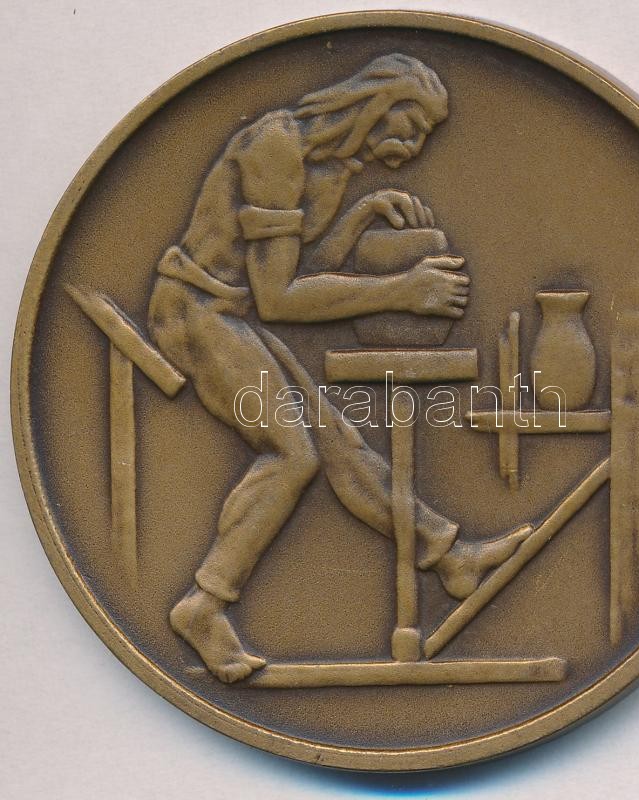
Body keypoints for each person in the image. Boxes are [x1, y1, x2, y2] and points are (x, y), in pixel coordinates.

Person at [147, 54, 528, 683]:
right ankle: (203, 606)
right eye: (411, 124)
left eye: (426, 135)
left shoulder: (330, 167)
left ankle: (447, 554)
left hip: (230, 311)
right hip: (193, 311)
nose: (415, 144)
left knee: (337, 443)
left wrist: (358, 216)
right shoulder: (275, 146)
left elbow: (295, 268)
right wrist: (403, 291)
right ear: (377, 103)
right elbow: (280, 299)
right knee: (292, 454)